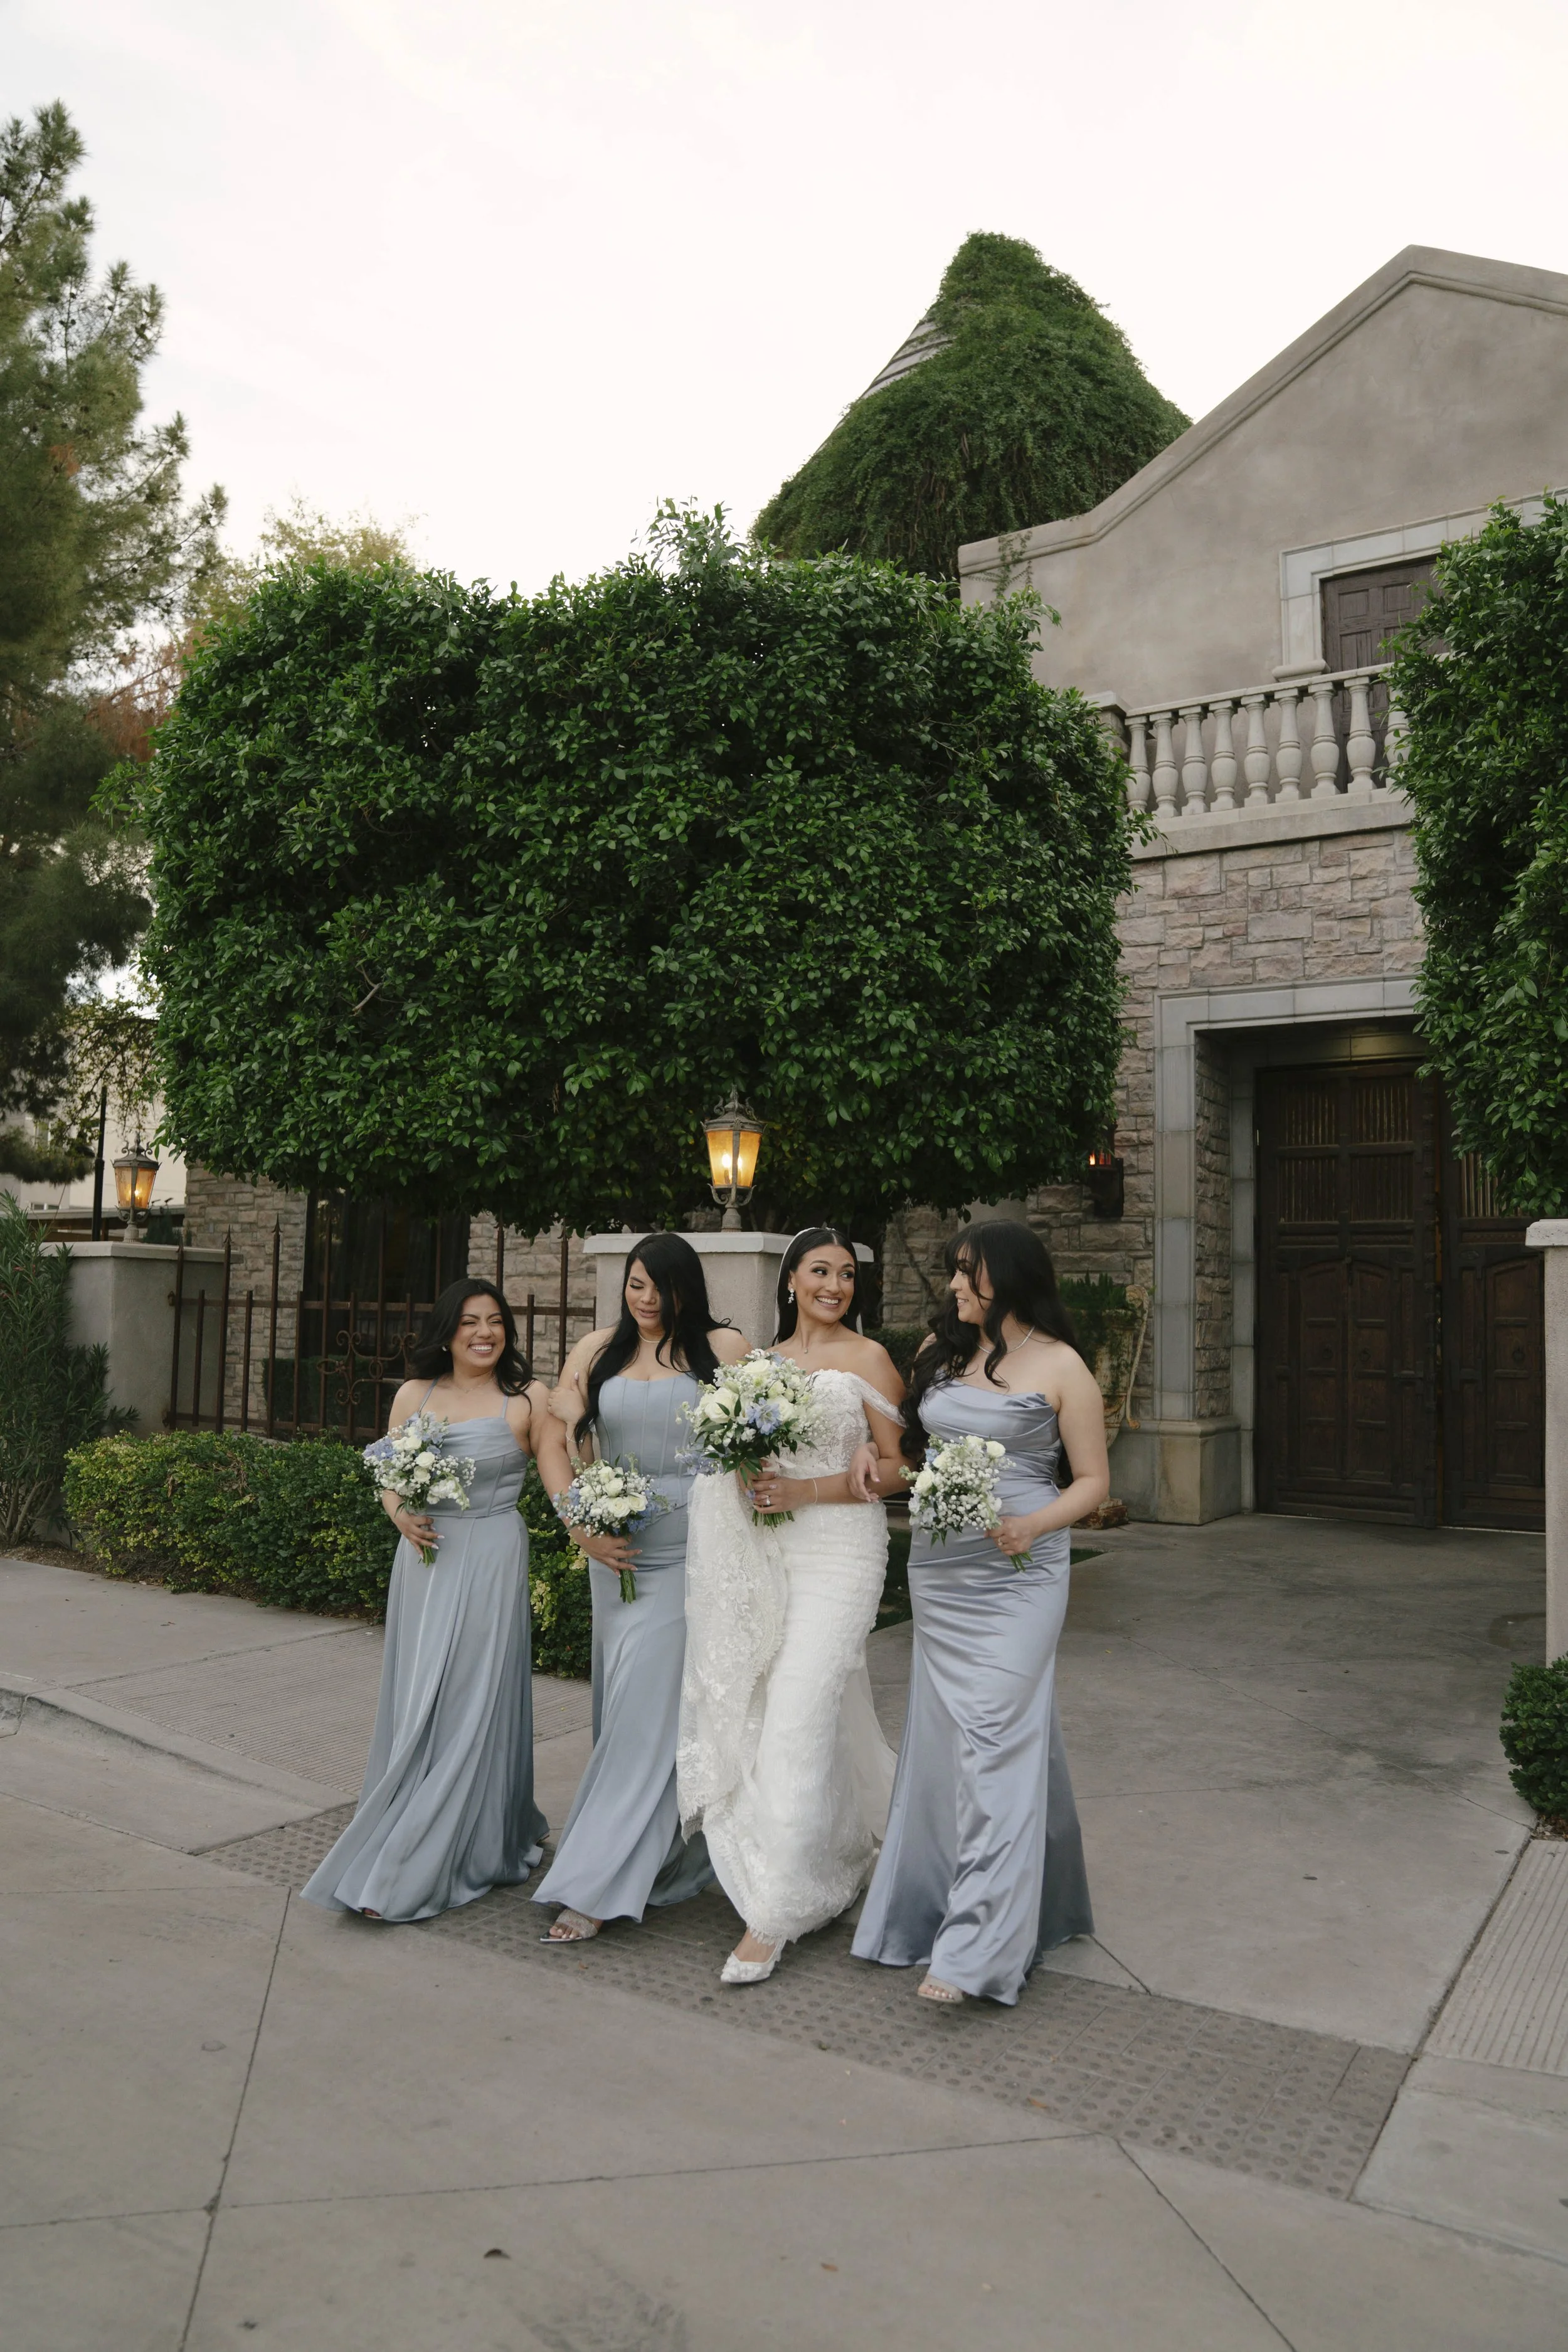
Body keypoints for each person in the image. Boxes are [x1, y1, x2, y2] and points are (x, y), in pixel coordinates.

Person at [852, 1220, 1106, 2005]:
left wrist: (1033, 1524)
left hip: (1021, 1569)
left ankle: (975, 1946)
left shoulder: (1063, 1367)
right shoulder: (941, 1356)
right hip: (942, 1567)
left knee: (996, 1732)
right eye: (955, 1273)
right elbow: (903, 1453)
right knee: (951, 1738)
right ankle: (970, 1903)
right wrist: (875, 1461)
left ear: (1012, 1280)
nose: (955, 1287)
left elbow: (1092, 1482)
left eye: (969, 1274)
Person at [678, 1226, 905, 1984]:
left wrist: (844, 1476)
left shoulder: (868, 1360)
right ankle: (839, 1855)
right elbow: (740, 1468)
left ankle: (774, 1914)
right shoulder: (760, 1367)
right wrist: (744, 1480)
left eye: (846, 1274)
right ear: (790, 1281)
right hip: (771, 1555)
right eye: (820, 1271)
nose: (834, 1287)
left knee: (799, 1715)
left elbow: (900, 1469)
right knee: (789, 1710)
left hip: (842, 1552)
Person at [302, 1280, 549, 1924]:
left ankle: (431, 1857)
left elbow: (562, 1472)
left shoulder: (528, 1400)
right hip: (423, 1560)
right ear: (446, 1331)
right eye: (470, 1322)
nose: (484, 1333)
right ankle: (406, 1818)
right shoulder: (415, 1395)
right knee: (419, 1705)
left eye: (495, 1322)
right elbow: (388, 1472)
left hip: (492, 1556)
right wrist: (399, 1517)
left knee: (473, 1701)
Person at [531, 1234, 751, 1942]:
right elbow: (555, 1444)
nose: (646, 1298)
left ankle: (597, 1881)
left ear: (688, 1288)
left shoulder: (726, 1349)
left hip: (696, 1547)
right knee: (624, 1706)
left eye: (660, 1285)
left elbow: (756, 1447)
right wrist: (580, 1528)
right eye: (634, 1284)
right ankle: (648, 1853)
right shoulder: (595, 1351)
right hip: (616, 1548)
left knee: (653, 1712)